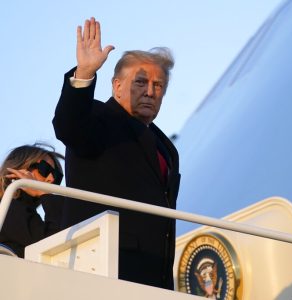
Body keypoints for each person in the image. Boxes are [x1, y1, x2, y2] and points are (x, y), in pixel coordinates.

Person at [53, 17, 180, 289]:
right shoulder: (98, 118)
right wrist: (84, 74)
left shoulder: (164, 146)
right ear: (117, 86)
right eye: (140, 82)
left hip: (154, 277)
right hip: (103, 268)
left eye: (158, 86)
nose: (150, 92)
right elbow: (68, 126)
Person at [0, 142, 64, 257]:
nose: (51, 179)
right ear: (19, 169)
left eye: (57, 176)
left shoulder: (19, 210)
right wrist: (44, 194)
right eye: (45, 169)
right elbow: (56, 246)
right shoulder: (7, 209)